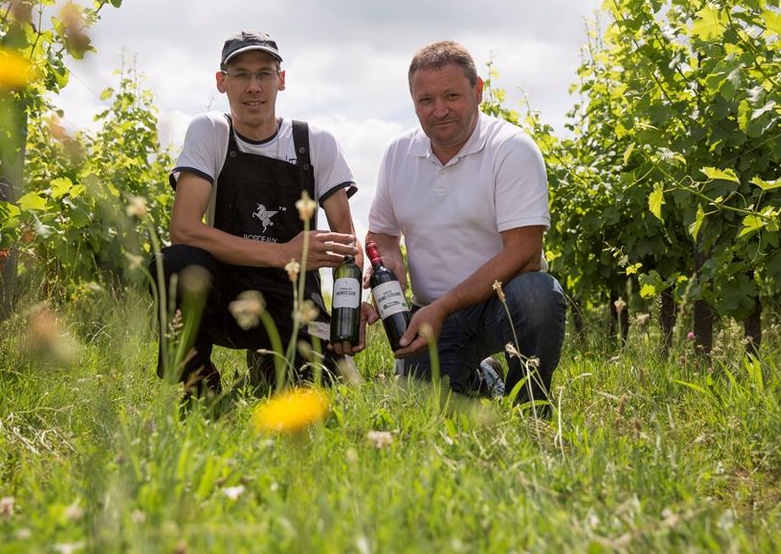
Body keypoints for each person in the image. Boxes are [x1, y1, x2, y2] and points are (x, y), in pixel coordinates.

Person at [151, 30, 373, 396]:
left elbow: (346, 245)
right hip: (225, 296)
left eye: (264, 74)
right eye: (240, 75)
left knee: (328, 392)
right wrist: (284, 253)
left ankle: (268, 359)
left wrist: (353, 306)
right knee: (174, 263)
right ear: (222, 82)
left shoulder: (315, 143)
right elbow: (185, 230)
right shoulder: (211, 132)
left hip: (295, 305)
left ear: (281, 80)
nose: (253, 86)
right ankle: (197, 377)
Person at [366, 40, 566, 407]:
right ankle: (485, 378)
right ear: (412, 101)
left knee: (538, 295)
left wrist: (445, 307)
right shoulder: (398, 154)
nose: (439, 110)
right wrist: (390, 264)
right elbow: (382, 233)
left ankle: (530, 404)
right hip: (430, 310)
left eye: (452, 96)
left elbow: (524, 251)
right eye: (425, 101)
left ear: (478, 92)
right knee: (425, 402)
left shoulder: (511, 148)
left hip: (502, 302)